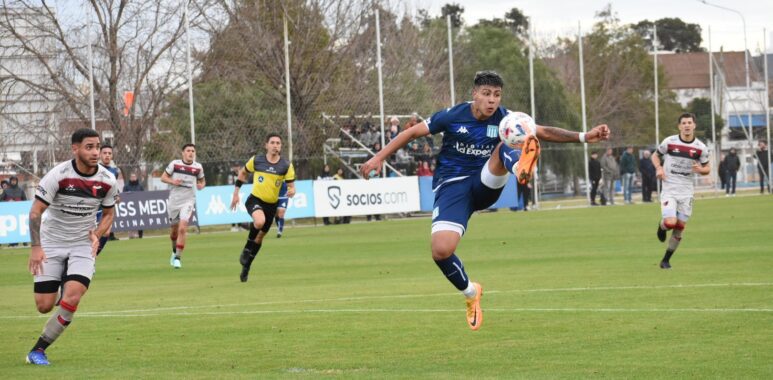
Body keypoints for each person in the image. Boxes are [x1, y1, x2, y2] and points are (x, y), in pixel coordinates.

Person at [359, 70, 610, 330]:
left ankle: (521, 169)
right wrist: (378, 157)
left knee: (505, 145)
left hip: (485, 181)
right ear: (475, 94)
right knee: (441, 251)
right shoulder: (452, 115)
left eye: (497, 95)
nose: (492, 101)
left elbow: (543, 130)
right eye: (487, 94)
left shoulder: (507, 120)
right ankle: (471, 293)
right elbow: (410, 134)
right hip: (451, 188)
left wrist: (584, 136)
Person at [24, 128, 119, 366]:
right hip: (51, 243)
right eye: (89, 147)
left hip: (82, 245)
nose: (96, 152)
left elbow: (109, 214)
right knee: (44, 306)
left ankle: (38, 350)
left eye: (98, 146)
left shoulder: (107, 180)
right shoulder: (58, 175)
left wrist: (97, 234)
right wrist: (36, 247)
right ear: (75, 149)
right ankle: (60, 280)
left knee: (73, 298)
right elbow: (36, 211)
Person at [230, 133, 295, 282]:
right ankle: (247, 247)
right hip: (255, 200)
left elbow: (292, 187)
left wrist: (292, 191)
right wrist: (236, 194)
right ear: (266, 145)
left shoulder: (286, 165)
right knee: (259, 222)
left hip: (272, 205)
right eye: (272, 142)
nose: (275, 145)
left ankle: (247, 266)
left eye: (278, 143)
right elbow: (243, 173)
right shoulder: (257, 160)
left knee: (260, 237)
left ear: (281, 146)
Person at [652, 113, 710, 269]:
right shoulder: (669, 142)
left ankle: (665, 260)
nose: (686, 125)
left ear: (694, 125)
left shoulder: (700, 148)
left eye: (689, 122)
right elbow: (655, 156)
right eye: (683, 123)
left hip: (686, 192)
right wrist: (659, 168)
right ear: (679, 126)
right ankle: (662, 226)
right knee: (671, 222)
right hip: (669, 188)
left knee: (680, 228)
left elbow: (707, 168)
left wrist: (701, 170)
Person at [161, 144, 205, 269]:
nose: (191, 153)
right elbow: (163, 177)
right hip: (174, 201)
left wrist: (202, 185)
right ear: (183, 153)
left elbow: (202, 181)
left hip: (188, 201)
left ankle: (178, 258)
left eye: (193, 151)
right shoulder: (175, 164)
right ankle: (174, 251)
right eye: (188, 151)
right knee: (174, 232)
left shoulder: (198, 167)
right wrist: (172, 181)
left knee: (182, 228)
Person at [95, 145, 122, 253]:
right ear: (100, 154)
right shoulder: (94, 169)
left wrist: (116, 196)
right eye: (105, 153)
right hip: (94, 206)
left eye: (109, 153)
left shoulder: (114, 171)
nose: (107, 155)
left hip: (106, 206)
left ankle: (94, 255)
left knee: (106, 233)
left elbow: (113, 188)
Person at [123, 173, 144, 238]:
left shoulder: (140, 186)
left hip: (138, 206)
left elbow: (144, 195)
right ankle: (131, 235)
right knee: (130, 221)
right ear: (130, 178)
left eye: (134, 176)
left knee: (140, 221)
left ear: (136, 177)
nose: (133, 178)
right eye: (132, 177)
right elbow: (123, 195)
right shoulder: (126, 186)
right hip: (130, 207)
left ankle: (140, 235)